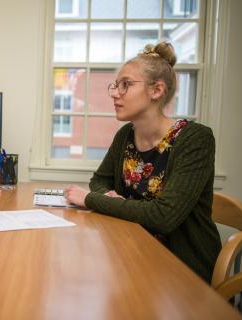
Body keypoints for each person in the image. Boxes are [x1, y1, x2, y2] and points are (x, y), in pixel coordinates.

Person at [64, 42, 221, 283]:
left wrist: (92, 199)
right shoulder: (126, 135)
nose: (115, 93)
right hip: (129, 251)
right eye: (116, 85)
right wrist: (111, 198)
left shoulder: (196, 139)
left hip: (182, 271)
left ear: (156, 90)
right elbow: (100, 180)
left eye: (126, 85)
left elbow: (164, 217)